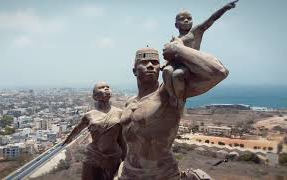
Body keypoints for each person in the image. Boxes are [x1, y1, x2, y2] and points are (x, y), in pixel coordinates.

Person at [119, 39, 228, 179]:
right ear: (134, 70)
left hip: (161, 175)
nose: (151, 66)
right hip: (128, 174)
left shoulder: (169, 93)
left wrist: (178, 49)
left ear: (161, 68)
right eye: (144, 63)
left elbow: (219, 71)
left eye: (155, 62)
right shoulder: (129, 102)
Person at [162, 0, 238, 102]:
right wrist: (164, 63)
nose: (186, 20)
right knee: (167, 71)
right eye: (182, 19)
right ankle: (171, 95)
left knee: (177, 74)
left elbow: (210, 20)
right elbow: (170, 56)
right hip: (176, 63)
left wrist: (224, 8)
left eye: (189, 18)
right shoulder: (175, 39)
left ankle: (180, 99)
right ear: (176, 25)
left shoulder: (194, 32)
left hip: (189, 65)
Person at [63, 82, 126, 180]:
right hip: (94, 155)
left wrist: (125, 160)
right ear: (95, 96)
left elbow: (121, 139)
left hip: (113, 156)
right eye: (101, 87)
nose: (106, 89)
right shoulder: (89, 115)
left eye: (107, 87)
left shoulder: (119, 113)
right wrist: (68, 139)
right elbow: (77, 129)